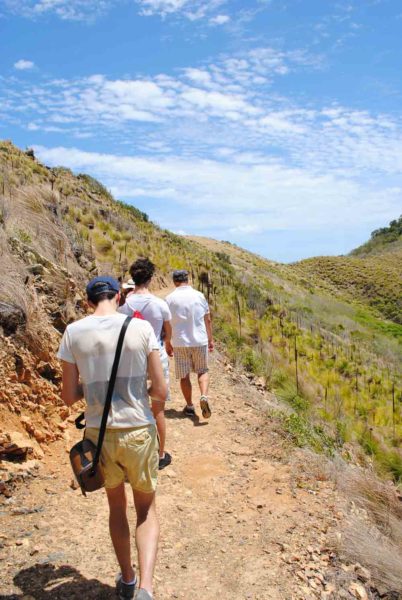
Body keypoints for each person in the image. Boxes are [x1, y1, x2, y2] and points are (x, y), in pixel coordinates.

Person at [57, 276, 167, 600]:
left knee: (116, 507)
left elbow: (67, 395)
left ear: (88, 301)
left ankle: (128, 579)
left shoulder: (73, 333)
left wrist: (94, 391)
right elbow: (160, 390)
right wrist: (138, 396)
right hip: (138, 430)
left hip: (99, 435)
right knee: (146, 511)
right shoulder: (141, 328)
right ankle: (146, 588)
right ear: (119, 296)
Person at [119, 258, 172, 470]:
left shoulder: (122, 305)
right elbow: (168, 332)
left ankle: (129, 453)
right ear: (150, 278)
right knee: (158, 409)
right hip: (156, 358)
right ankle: (159, 455)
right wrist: (167, 345)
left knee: (130, 406)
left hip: (130, 360)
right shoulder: (160, 304)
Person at [165, 269, 214, 419]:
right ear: (188, 280)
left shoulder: (169, 299)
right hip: (199, 340)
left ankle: (190, 406)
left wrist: (168, 342)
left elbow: (166, 323)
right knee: (202, 371)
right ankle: (204, 396)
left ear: (174, 281)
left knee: (184, 377)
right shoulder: (199, 296)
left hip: (180, 342)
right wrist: (210, 339)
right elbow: (208, 319)